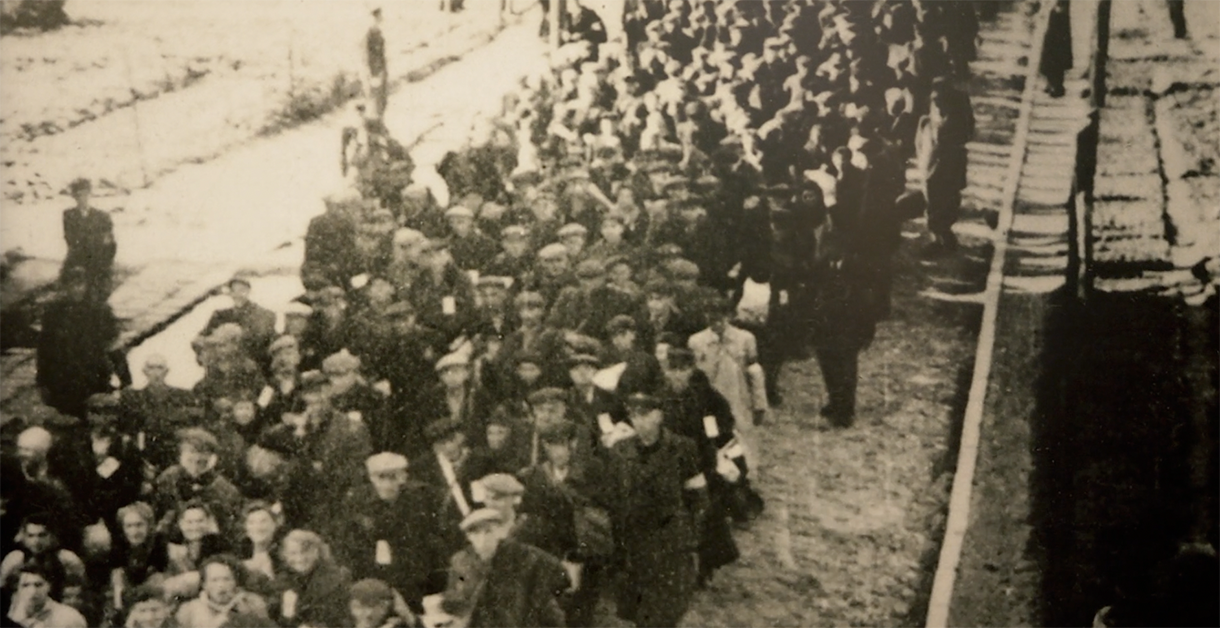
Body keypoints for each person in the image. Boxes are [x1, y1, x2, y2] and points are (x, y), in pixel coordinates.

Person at [610, 393, 707, 628]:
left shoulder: (682, 448)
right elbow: (614, 496)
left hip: (669, 540)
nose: (639, 421)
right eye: (634, 416)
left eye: (645, 415)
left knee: (664, 609)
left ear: (659, 416)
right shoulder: (621, 449)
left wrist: (690, 537)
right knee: (638, 608)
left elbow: (698, 497)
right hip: (634, 539)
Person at [335, 453, 443, 612]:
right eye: (381, 477)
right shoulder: (358, 501)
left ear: (403, 477)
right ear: (372, 478)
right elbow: (349, 542)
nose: (387, 483)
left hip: (413, 574)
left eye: (393, 477)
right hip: (373, 574)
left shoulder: (419, 497)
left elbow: (429, 537)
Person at [439, 508, 567, 628]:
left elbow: (556, 571)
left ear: (498, 532)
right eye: (475, 533)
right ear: (468, 536)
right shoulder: (461, 561)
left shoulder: (520, 554)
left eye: (488, 531)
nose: (482, 538)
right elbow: (453, 597)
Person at [36, 268, 121, 419]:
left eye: (81, 284)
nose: (77, 289)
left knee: (96, 416)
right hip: (63, 377)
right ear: (65, 287)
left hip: (94, 374)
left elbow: (112, 345)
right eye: (72, 285)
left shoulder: (100, 311)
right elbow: (44, 348)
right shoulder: (54, 312)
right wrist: (42, 381)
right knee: (68, 419)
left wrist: (124, 378)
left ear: (87, 285)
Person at [914, 78, 974, 252]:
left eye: (939, 102)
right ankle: (942, 237)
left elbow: (947, 137)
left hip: (945, 163)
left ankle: (943, 239)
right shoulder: (948, 109)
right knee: (939, 199)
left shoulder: (952, 120)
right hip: (940, 161)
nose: (937, 105)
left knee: (941, 199)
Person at [119, 354, 201, 471]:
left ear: (166, 371)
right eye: (151, 368)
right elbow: (128, 431)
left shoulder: (182, 396)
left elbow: (192, 429)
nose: (156, 373)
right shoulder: (134, 397)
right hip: (145, 455)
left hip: (174, 455)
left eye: (160, 368)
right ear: (144, 371)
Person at [271, 530, 350, 628]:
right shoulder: (281, 581)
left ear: (317, 552)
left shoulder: (334, 578)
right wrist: (287, 613)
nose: (300, 559)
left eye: (305, 552)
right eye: (293, 553)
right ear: (285, 555)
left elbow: (340, 618)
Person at [202, 276, 277, 371]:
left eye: (242, 290)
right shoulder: (220, 316)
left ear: (249, 291)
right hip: (224, 365)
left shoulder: (264, 315)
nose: (238, 294)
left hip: (254, 366)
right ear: (230, 293)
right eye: (234, 290)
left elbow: (266, 341)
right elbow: (202, 338)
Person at [60, 177, 116, 303]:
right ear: (74, 197)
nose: (82, 199)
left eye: (85, 194)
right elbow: (70, 238)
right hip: (78, 257)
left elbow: (109, 242)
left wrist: (105, 261)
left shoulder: (102, 216)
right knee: (70, 290)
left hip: (98, 257)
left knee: (99, 291)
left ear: (89, 194)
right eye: (78, 195)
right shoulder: (69, 215)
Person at [174, 554, 269, 628]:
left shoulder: (253, 603)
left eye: (227, 579)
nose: (221, 585)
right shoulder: (189, 610)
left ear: (236, 582)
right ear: (204, 584)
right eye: (214, 580)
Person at [6, 563, 87, 628]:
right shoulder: (13, 616)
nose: (32, 591)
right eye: (25, 585)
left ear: (49, 586)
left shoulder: (69, 618)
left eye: (38, 585)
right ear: (17, 589)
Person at [1039, 0, 1072, 98]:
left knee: (1057, 48)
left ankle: (1056, 84)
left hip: (1058, 11)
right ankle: (1051, 82)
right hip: (1054, 10)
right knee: (1051, 48)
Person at [364, 7, 389, 119]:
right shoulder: (371, 32)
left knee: (381, 98)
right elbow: (369, 54)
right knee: (377, 98)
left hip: (380, 68)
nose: (381, 17)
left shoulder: (377, 31)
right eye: (379, 15)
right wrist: (373, 72)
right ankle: (375, 121)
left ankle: (378, 120)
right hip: (376, 69)